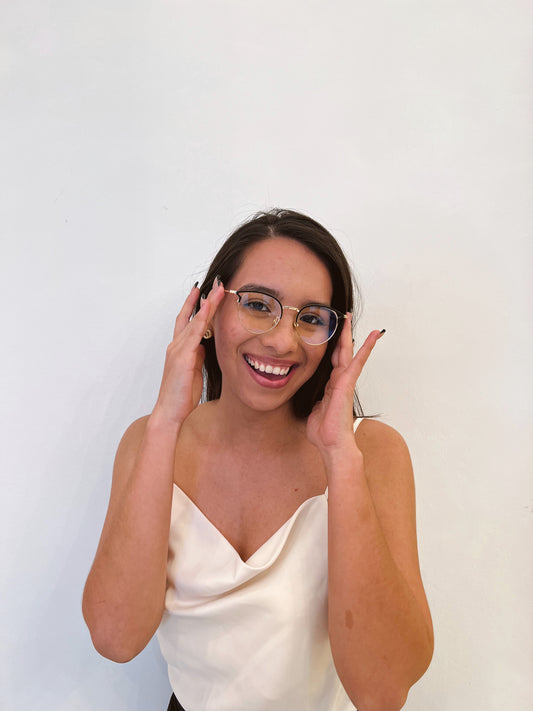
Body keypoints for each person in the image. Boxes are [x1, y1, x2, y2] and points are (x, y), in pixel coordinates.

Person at [82, 209, 434, 711]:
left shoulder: (372, 453)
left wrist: (340, 458)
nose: (282, 340)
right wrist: (165, 422)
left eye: (310, 318)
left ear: (334, 338)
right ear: (209, 313)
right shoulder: (151, 440)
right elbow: (115, 638)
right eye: (257, 304)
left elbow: (383, 691)